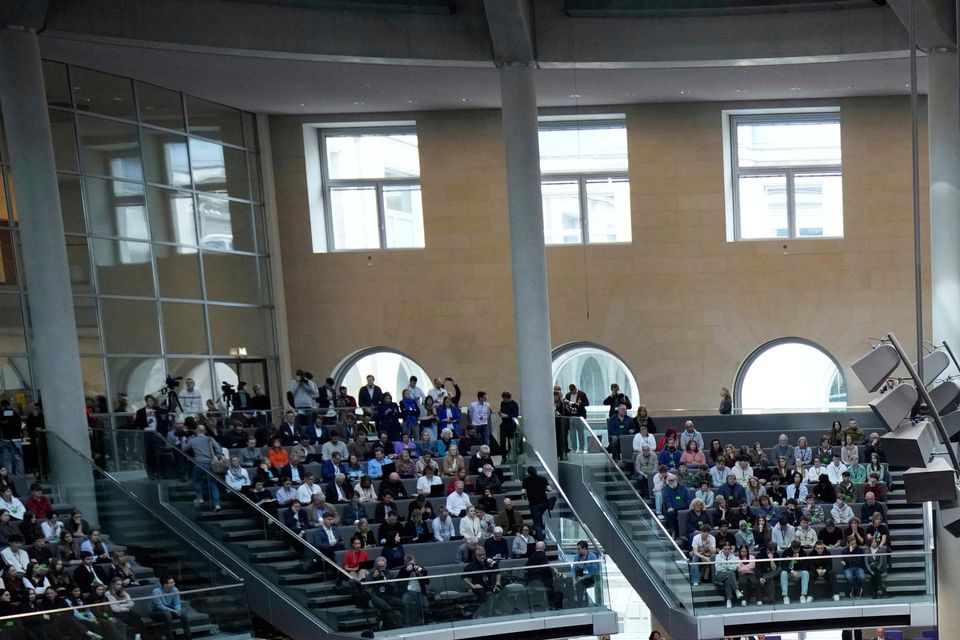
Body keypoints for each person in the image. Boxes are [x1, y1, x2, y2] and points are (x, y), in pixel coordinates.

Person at [151, 576, 190, 640]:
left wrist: (178, 609)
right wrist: (174, 611)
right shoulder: (156, 591)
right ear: (165, 584)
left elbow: (177, 602)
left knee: (183, 613)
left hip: (170, 609)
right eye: (171, 582)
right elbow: (160, 606)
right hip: (157, 611)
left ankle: (187, 636)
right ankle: (169, 637)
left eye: (173, 582)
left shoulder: (175, 589)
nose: (174, 583)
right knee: (167, 615)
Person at [522, 466, 550, 540]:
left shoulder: (526, 480)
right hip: (544, 503)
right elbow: (549, 489)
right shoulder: (543, 478)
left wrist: (525, 495)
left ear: (528, 472)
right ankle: (539, 533)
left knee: (536, 521)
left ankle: (540, 538)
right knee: (539, 517)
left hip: (534, 503)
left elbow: (523, 492)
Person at [570, 540, 598, 606]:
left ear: (584, 548)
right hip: (579, 576)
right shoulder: (577, 557)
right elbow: (573, 569)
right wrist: (574, 579)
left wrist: (582, 578)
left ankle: (580, 603)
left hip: (588, 577)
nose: (578, 551)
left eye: (579, 549)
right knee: (569, 582)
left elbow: (593, 571)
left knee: (579, 584)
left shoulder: (592, 557)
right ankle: (571, 602)